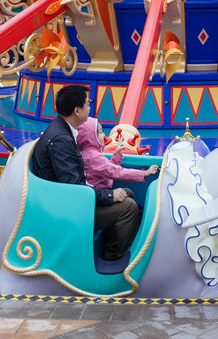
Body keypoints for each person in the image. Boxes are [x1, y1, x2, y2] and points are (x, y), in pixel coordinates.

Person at [30, 85, 139, 263]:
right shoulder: (61, 141)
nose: (90, 107)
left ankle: (111, 249)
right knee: (128, 207)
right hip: (67, 209)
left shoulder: (62, 130)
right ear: (77, 111)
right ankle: (113, 259)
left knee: (128, 194)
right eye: (87, 104)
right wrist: (109, 195)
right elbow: (75, 189)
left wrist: (109, 195)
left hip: (69, 199)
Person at [76, 117, 159, 192]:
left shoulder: (89, 152)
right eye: (101, 132)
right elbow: (116, 172)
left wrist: (116, 154)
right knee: (129, 204)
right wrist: (143, 173)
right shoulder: (93, 157)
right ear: (91, 137)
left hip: (100, 192)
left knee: (128, 192)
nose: (104, 135)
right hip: (99, 196)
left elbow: (108, 172)